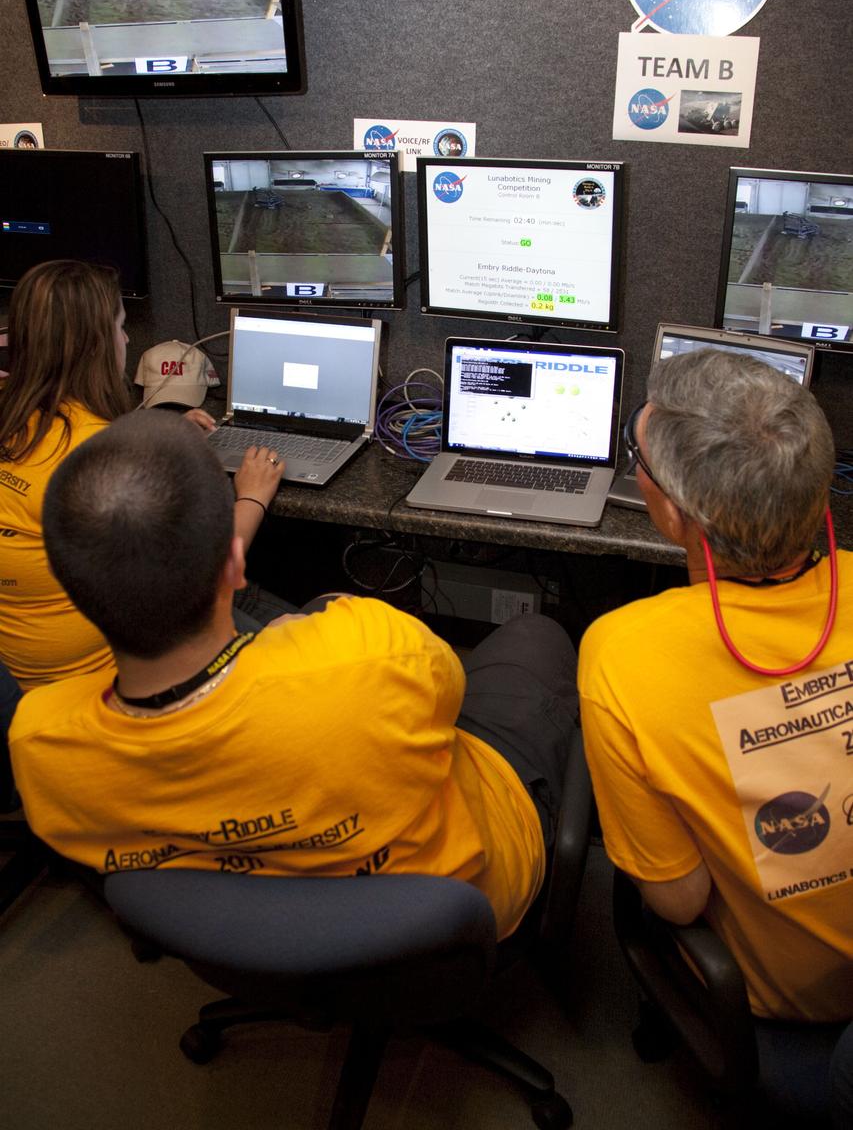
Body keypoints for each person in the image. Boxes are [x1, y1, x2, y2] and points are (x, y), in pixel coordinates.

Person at [9, 408, 578, 941]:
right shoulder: (373, 651)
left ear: (68, 585)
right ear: (235, 562)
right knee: (535, 638)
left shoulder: (38, 742)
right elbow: (448, 696)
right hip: (458, 912)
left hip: (241, 946)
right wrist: (310, 640)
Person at [578, 349, 852, 1124]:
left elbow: (677, 902)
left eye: (637, 461)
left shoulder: (622, 653)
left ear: (674, 515)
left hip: (794, 1008)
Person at [0, 259, 285, 693]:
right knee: (307, 632)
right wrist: (253, 495)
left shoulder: (14, 413)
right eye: (120, 326)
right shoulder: (105, 456)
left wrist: (153, 432)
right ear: (96, 346)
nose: (128, 338)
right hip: (113, 676)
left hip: (22, 671)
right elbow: (201, 584)